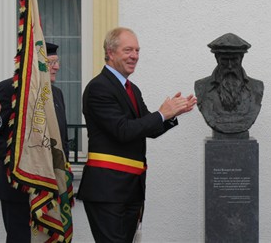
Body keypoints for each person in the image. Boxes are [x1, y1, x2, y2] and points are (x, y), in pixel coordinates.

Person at [77, 27, 197, 243]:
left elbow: (147, 128)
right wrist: (162, 113)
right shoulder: (98, 88)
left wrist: (171, 115)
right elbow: (123, 131)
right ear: (110, 52)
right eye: (128, 50)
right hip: (107, 190)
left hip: (130, 188)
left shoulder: (132, 89)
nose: (134, 56)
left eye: (137, 51)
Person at [0, 42, 70, 243]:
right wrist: (20, 158)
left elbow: (61, 138)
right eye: (52, 62)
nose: (57, 67)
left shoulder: (57, 94)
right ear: (36, 63)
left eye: (57, 62)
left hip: (50, 184)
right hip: (18, 186)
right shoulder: (7, 89)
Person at [194, 33, 264, 138]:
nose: (230, 66)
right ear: (217, 59)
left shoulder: (257, 87)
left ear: (241, 59)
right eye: (225, 60)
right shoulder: (201, 87)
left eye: (234, 60)